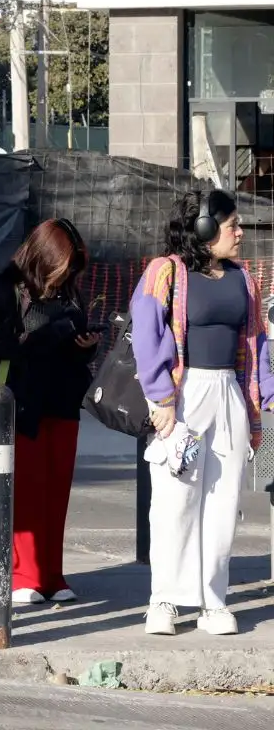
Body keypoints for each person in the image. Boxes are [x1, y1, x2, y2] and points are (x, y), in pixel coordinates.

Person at [130, 190, 273, 636]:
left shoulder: (243, 279)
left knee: (223, 502)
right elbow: (147, 332)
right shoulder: (166, 272)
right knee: (176, 499)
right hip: (183, 396)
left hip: (229, 393)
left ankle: (214, 601)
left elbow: (257, 343)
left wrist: (263, 399)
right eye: (232, 224)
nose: (240, 232)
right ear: (206, 229)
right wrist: (162, 401)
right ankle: (165, 601)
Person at [0, 218, 98, 605]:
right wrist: (49, 335)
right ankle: (22, 576)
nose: (68, 276)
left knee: (56, 492)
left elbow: (73, 345)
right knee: (25, 492)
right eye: (64, 267)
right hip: (23, 402)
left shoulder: (69, 292)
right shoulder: (9, 289)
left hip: (63, 401)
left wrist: (85, 345)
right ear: (45, 258)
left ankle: (51, 574)